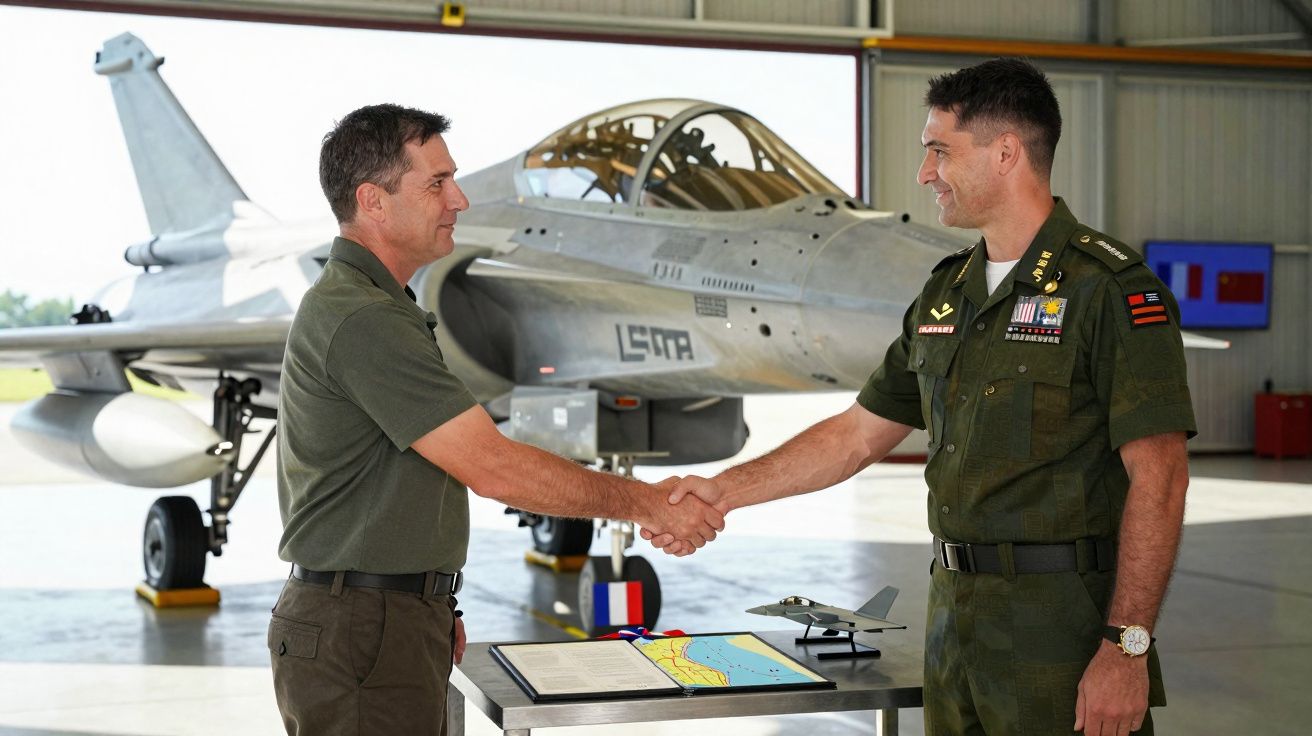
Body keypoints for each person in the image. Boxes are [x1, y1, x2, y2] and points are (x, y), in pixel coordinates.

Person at [648, 58, 1194, 735]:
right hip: (953, 625)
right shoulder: (945, 293)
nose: (924, 173)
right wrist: (723, 490)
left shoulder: (1108, 290)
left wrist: (1126, 647)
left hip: (1061, 632)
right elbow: (854, 436)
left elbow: (1161, 479)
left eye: (940, 151)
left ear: (1005, 154)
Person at [268, 104, 724, 736]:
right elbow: (493, 466)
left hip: (385, 615)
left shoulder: (380, 305)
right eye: (436, 183)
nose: (459, 199)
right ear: (373, 201)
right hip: (363, 628)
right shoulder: (363, 317)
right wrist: (650, 504)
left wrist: (424, 601)